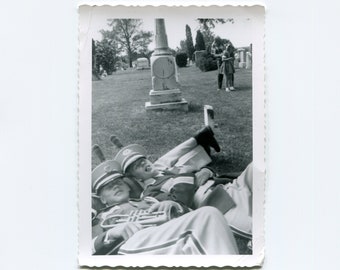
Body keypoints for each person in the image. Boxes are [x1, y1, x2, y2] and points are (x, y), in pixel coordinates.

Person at [113, 129, 253, 239]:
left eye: (143, 160)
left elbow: (201, 174)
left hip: (231, 185)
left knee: (258, 167)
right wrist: (185, 174)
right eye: (137, 166)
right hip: (218, 204)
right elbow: (180, 202)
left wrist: (207, 170)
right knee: (259, 229)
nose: (143, 163)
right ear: (134, 177)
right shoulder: (149, 193)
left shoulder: (169, 171)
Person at [91, 160, 239, 255]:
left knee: (209, 216)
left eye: (119, 182)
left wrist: (174, 206)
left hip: (162, 238)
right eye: (108, 187)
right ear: (102, 199)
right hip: (130, 246)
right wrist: (110, 234)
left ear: (129, 187)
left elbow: (186, 209)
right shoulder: (101, 217)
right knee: (208, 216)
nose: (116, 186)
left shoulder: (147, 199)